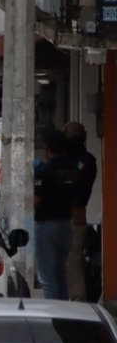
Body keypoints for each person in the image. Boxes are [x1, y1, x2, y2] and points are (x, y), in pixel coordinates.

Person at [34, 129, 78, 300]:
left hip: (47, 227)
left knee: (48, 278)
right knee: (61, 275)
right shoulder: (71, 170)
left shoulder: (43, 171)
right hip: (66, 225)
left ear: (48, 149)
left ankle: (54, 315)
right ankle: (65, 313)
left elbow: (36, 201)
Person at [64, 121, 97, 301]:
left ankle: (78, 298)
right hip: (62, 215)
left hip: (76, 213)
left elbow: (74, 180)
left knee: (72, 260)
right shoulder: (68, 159)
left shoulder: (86, 160)